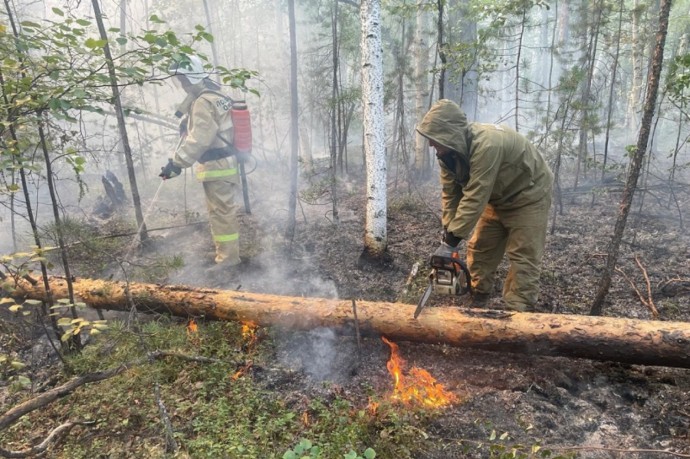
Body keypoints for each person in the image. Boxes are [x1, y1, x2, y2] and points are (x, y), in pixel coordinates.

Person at [416, 99, 554, 311]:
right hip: (496, 197)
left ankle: (519, 314)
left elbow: (475, 194)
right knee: (481, 248)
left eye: (434, 139)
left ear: (449, 133)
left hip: (528, 196)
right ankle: (478, 296)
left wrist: (453, 239)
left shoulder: (488, 144)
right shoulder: (448, 154)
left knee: (523, 255)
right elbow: (450, 193)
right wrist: (448, 234)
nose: (431, 144)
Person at [159, 56, 242, 268]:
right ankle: (228, 257)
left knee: (221, 215)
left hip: (218, 166)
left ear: (191, 77)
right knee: (223, 212)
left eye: (183, 79)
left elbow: (200, 138)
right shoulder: (216, 95)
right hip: (225, 163)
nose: (182, 84)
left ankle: (228, 262)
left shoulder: (203, 102)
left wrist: (176, 163)